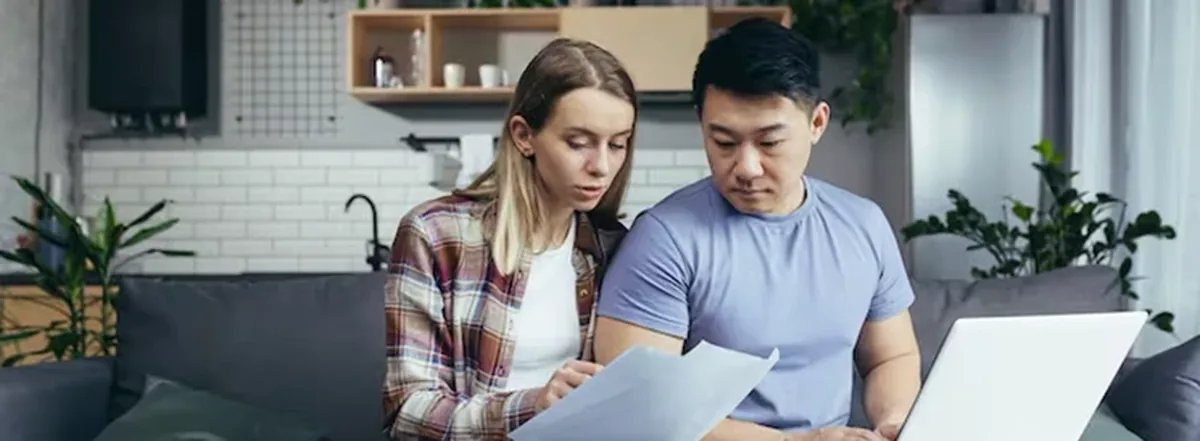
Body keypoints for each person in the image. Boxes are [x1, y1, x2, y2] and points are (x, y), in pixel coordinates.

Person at [592, 18, 922, 441]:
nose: (746, 168)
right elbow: (641, 410)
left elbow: (890, 356)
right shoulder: (662, 239)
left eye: (769, 143)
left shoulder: (863, 225)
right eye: (724, 143)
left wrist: (892, 423)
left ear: (816, 123)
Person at [382, 38, 637, 441]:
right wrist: (532, 405)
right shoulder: (433, 234)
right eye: (578, 142)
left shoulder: (612, 248)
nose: (602, 166)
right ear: (523, 135)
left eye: (618, 143)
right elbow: (408, 413)